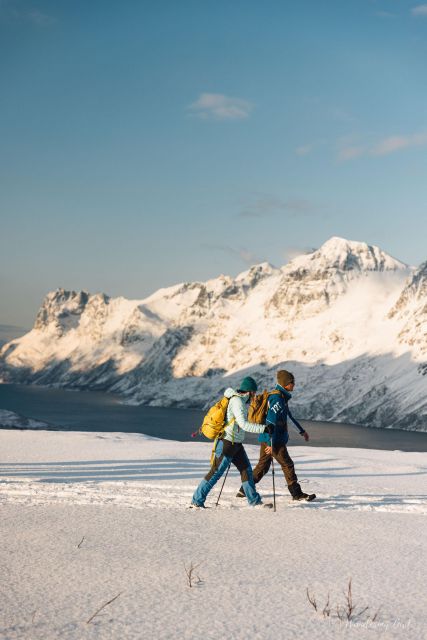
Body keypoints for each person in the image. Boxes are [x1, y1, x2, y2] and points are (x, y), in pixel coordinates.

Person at [191, 376, 272, 509]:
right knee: (215, 473)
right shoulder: (237, 402)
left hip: (236, 444)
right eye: (254, 392)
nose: (255, 396)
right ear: (250, 391)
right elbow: (243, 425)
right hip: (227, 443)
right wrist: (264, 428)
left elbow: (240, 425)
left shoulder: (239, 401)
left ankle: (255, 502)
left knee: (246, 471)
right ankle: (196, 501)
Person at [237, 370, 316, 502]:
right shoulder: (278, 399)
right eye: (292, 382)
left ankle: (244, 489)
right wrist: (270, 443)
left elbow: (288, 417)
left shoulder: (281, 397)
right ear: (286, 384)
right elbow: (271, 422)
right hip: (274, 439)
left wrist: (301, 431)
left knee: (263, 466)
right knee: (287, 464)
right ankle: (296, 494)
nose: (294, 385)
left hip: (268, 438)